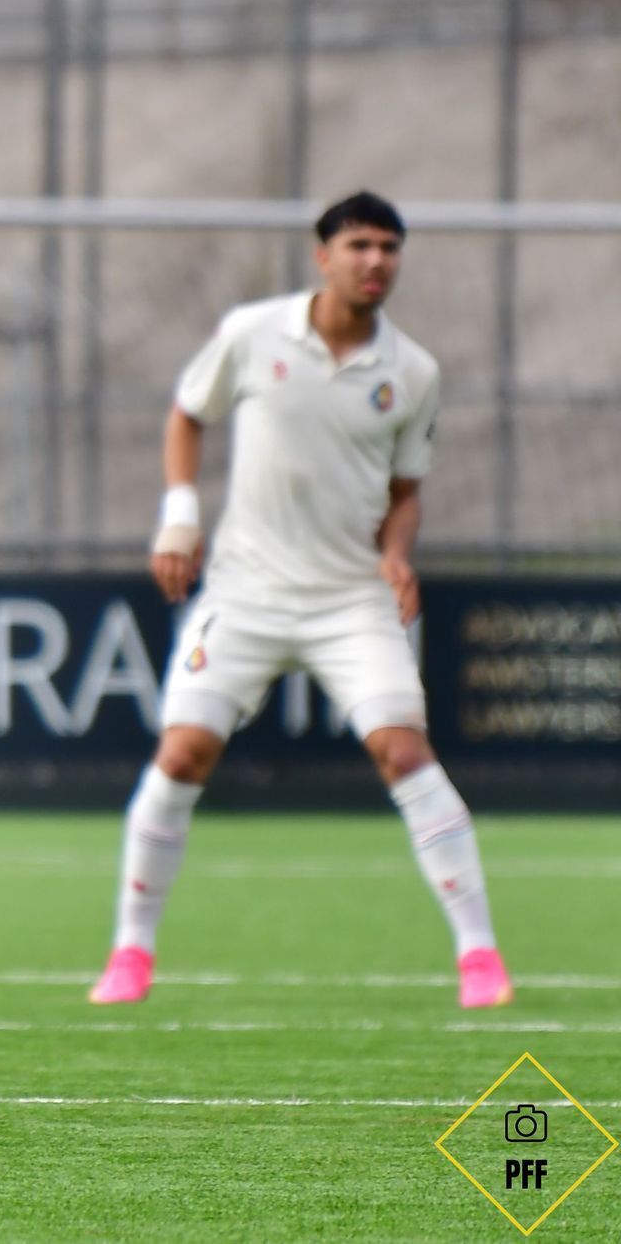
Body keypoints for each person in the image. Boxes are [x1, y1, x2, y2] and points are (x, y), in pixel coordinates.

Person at [88, 191, 513, 1010]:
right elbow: (187, 413)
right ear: (324, 256)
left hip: (349, 596)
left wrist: (396, 555)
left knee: (404, 751)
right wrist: (179, 515)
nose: (375, 260)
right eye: (359, 245)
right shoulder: (253, 333)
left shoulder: (413, 372)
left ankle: (480, 956)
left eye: (389, 247)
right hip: (245, 590)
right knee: (181, 754)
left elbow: (406, 492)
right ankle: (130, 952)